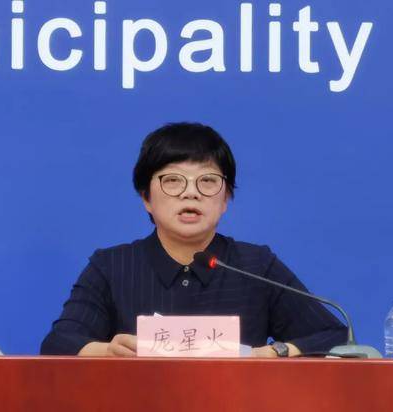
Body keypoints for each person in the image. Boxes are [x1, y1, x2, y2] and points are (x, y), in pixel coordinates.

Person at [40, 122, 347, 357]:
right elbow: (60, 342)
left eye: (208, 181)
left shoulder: (255, 265)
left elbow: (334, 336)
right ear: (146, 197)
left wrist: (273, 352)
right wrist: (107, 350)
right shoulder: (112, 266)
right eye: (173, 180)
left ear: (226, 199)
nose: (191, 193)